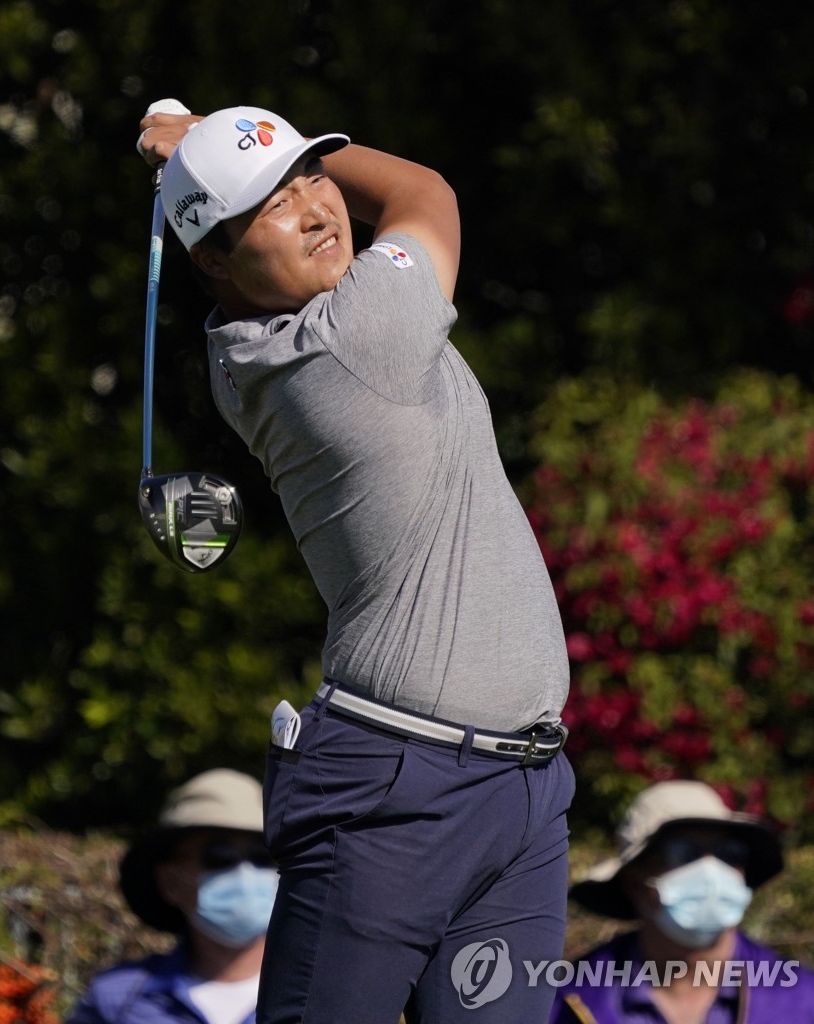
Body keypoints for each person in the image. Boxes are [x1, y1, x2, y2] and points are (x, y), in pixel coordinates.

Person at [135, 102, 575, 1024]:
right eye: (272, 205)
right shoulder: (352, 339)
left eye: (311, 178)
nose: (316, 209)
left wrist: (217, 154)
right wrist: (210, 124)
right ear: (212, 259)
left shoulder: (249, 343)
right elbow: (423, 191)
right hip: (395, 791)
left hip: (524, 791)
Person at [548, 779, 814, 1023]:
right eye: (683, 853)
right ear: (634, 882)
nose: (711, 870)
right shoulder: (563, 1004)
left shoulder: (802, 1001)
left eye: (729, 853)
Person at [67, 768, 276, 1024]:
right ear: (170, 882)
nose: (245, 873)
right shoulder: (115, 1002)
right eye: (219, 856)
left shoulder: (319, 995)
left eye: (262, 856)